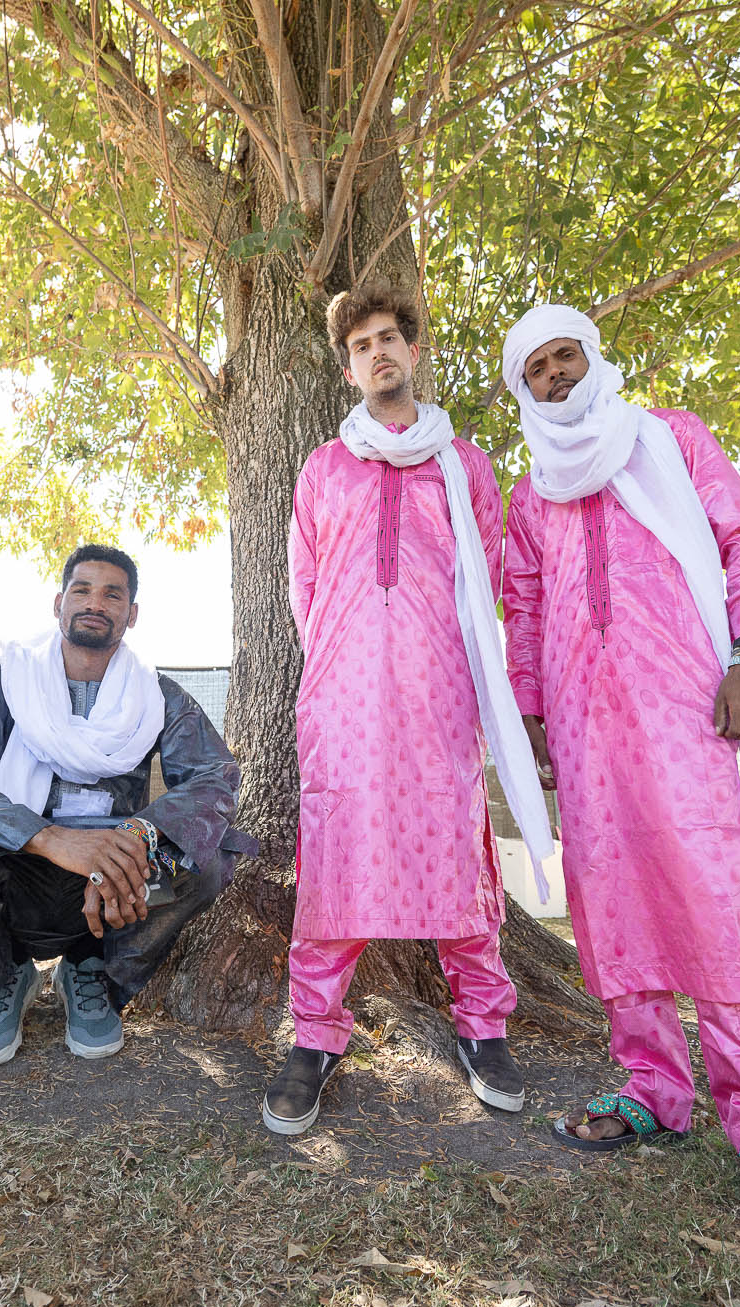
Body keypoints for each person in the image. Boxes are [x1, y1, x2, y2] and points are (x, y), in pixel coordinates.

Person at [498, 303, 740, 1240]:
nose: (555, 378)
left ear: (594, 358)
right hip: (583, 728)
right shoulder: (530, 495)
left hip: (691, 708)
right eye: (534, 372)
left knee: (718, 900)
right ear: (522, 392)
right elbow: (524, 610)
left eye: (564, 357)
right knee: (612, 904)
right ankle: (654, 1087)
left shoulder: (672, 440)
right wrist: (532, 712)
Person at [265, 283, 555, 1136]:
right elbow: (304, 584)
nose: (378, 354)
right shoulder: (324, 466)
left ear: (414, 351)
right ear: (348, 366)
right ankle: (315, 1036)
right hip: (345, 692)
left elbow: (488, 576)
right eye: (361, 346)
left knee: (455, 844)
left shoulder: (463, 463)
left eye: (390, 338)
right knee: (337, 853)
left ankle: (483, 1026)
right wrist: (340, 664)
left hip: (440, 689)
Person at [0, 545, 253, 1066]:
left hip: (117, 878)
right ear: (58, 603)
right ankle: (2, 975)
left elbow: (214, 778)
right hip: (11, 867)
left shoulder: (157, 695)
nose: (95, 602)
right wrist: (48, 838)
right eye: (82, 590)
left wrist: (138, 838)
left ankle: (91, 969)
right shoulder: (3, 684)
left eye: (112, 594)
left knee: (209, 854)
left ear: (131, 613)